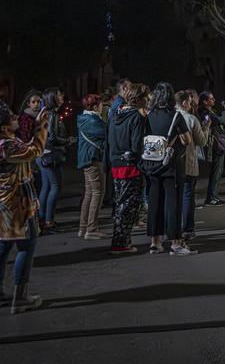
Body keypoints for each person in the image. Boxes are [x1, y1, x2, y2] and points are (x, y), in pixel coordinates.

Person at [0, 101, 50, 313]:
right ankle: (21, 297)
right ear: (4, 127)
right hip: (17, 201)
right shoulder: (7, 145)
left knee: (2, 245)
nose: (17, 120)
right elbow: (34, 151)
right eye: (13, 119)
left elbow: (26, 150)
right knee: (26, 246)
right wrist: (41, 127)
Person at [144, 82, 194, 255]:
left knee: (154, 203)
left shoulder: (148, 115)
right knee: (173, 204)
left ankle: (154, 242)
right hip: (171, 166)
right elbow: (187, 140)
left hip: (151, 165)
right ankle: (176, 243)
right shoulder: (176, 116)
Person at [107, 87, 148, 253]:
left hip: (116, 163)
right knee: (129, 205)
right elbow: (137, 144)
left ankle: (120, 239)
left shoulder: (115, 114)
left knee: (120, 204)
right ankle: (121, 242)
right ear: (139, 99)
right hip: (130, 166)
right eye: (146, 98)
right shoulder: (136, 117)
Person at [37, 87, 71, 234]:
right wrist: (67, 141)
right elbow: (51, 138)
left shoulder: (48, 113)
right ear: (52, 98)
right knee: (55, 187)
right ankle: (48, 222)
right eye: (59, 94)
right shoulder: (51, 115)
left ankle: (42, 219)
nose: (62, 96)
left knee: (46, 187)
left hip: (44, 155)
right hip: (50, 155)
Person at [176, 89, 209, 240]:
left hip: (170, 165)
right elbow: (202, 141)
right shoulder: (190, 119)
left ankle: (172, 228)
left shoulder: (169, 116)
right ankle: (188, 228)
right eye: (189, 101)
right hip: (188, 162)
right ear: (184, 103)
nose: (191, 104)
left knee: (173, 196)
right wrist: (206, 128)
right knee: (188, 195)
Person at [75, 93, 108, 239]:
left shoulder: (85, 119)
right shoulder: (92, 121)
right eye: (101, 104)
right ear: (95, 106)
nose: (103, 107)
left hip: (86, 159)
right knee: (97, 193)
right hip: (92, 159)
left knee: (89, 193)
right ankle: (92, 229)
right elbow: (108, 132)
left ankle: (83, 228)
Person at [197, 91, 225, 205]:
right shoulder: (204, 112)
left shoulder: (210, 111)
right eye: (211, 99)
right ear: (205, 101)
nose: (214, 100)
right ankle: (212, 197)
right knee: (217, 171)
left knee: (218, 170)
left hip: (216, 143)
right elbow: (220, 120)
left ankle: (213, 196)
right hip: (215, 144)